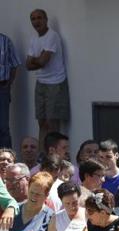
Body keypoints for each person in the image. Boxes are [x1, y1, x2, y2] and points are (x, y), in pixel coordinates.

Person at [26, 9, 70, 143]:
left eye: (39, 18)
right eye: (33, 19)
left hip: (55, 83)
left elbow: (43, 62)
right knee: (42, 122)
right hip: (40, 83)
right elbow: (28, 65)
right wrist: (37, 60)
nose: (36, 21)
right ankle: (42, 156)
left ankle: (55, 157)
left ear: (46, 20)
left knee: (52, 124)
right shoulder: (34, 39)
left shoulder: (52, 36)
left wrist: (36, 60)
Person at [0, 33, 20, 148]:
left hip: (2, 88)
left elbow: (14, 63)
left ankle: (7, 159)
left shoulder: (5, 40)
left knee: (3, 127)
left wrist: (8, 83)